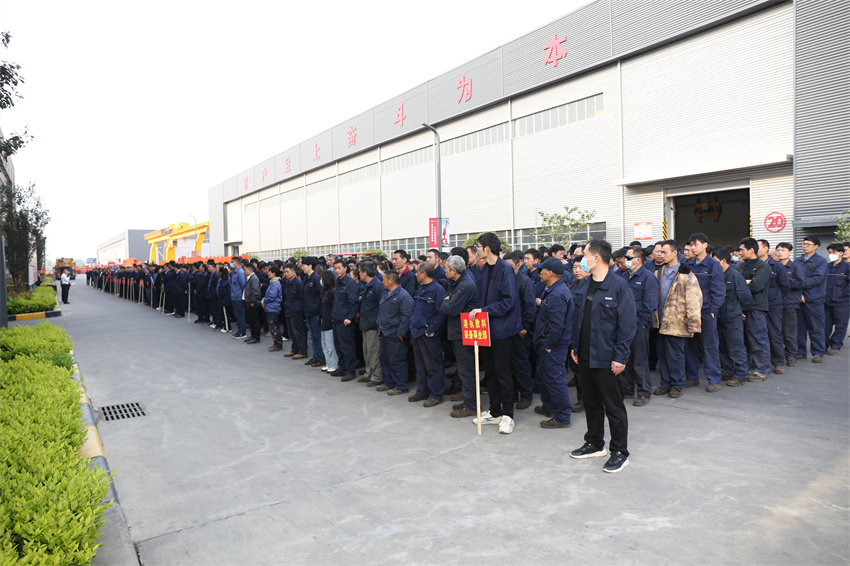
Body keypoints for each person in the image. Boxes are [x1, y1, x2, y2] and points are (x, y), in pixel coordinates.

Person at [569, 239, 636, 473]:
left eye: (585, 255)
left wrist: (620, 357)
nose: (581, 260)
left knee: (613, 407)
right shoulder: (584, 284)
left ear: (596, 258)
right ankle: (595, 443)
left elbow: (627, 327)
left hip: (607, 358)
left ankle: (619, 452)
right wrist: (575, 347)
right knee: (591, 402)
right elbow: (578, 319)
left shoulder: (619, 287)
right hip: (585, 355)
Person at [468, 232, 522, 435]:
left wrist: (483, 311)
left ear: (487, 249)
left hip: (502, 330)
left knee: (502, 373)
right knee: (489, 373)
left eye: (478, 247)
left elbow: (508, 302)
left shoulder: (505, 269)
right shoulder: (484, 269)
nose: (477, 250)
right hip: (485, 330)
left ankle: (508, 415)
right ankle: (494, 411)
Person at [653, 240, 702, 398]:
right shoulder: (658, 273)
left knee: (675, 355)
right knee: (662, 354)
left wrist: (694, 323)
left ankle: (677, 385)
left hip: (677, 322)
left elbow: (694, 299)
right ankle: (665, 383)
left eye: (664, 252)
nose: (661, 255)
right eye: (660, 252)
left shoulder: (685, 274)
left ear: (675, 253)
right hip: (660, 321)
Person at [532, 257, 574, 429]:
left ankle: (562, 416)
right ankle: (549, 407)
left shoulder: (557, 294)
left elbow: (557, 325)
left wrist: (549, 345)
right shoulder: (554, 289)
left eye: (541, 270)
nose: (539, 273)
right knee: (547, 377)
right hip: (548, 342)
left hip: (553, 345)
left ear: (550, 273)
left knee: (555, 380)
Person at [685, 233, 725, 391]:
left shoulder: (713, 265)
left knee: (709, 346)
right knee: (690, 346)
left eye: (695, 244)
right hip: (690, 312)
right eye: (691, 245)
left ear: (705, 245)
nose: (693, 247)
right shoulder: (689, 265)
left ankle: (714, 380)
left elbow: (719, 289)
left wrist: (713, 310)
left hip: (706, 311)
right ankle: (692, 377)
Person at [441, 255, 479, 418]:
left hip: (464, 333)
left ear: (454, 271)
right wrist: (448, 300)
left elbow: (450, 309)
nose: (444, 271)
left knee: (466, 370)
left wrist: (445, 301)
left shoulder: (465, 285)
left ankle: (471, 405)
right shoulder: (456, 282)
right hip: (458, 331)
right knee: (463, 369)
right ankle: (468, 400)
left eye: (446, 268)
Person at [621, 248, 658, 405]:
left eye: (628, 257)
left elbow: (650, 304)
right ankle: (627, 389)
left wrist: (642, 324)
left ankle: (643, 393)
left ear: (638, 260)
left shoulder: (648, 277)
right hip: (624, 324)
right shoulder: (623, 276)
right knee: (625, 357)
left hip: (638, 325)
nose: (625, 260)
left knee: (640, 359)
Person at [408, 262, 447, 406]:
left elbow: (441, 313)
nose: (416, 274)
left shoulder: (437, 290)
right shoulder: (420, 289)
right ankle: (422, 390)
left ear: (424, 274)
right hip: (417, 332)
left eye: (417, 272)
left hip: (428, 334)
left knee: (433, 364)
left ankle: (436, 394)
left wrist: (431, 330)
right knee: (420, 365)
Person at [714, 248, 753, 387]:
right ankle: (728, 372)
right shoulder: (716, 275)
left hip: (732, 318)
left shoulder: (735, 276)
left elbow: (746, 297)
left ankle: (741, 375)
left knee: (736, 347)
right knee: (722, 347)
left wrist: (739, 310)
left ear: (723, 261)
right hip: (719, 318)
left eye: (715, 261)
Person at [737, 237, 771, 380]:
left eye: (742, 250)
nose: (739, 252)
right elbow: (735, 285)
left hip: (756, 307)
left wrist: (744, 284)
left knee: (758, 340)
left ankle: (762, 370)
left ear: (751, 250)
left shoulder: (763, 267)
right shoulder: (740, 266)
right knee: (742, 341)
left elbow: (756, 286)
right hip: (741, 308)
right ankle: (745, 367)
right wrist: (746, 282)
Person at [377, 270, 414, 395]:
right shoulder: (386, 293)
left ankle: (401, 385)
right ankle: (389, 382)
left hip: (394, 333)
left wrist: (401, 333)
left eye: (383, 279)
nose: (382, 282)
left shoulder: (403, 296)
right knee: (385, 359)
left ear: (391, 281)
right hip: (384, 332)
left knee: (397, 361)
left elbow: (407, 316)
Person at [757, 239, 790, 374]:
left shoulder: (776, 266)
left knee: (775, 334)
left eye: (758, 247)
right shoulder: (754, 265)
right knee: (758, 335)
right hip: (758, 304)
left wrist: (776, 297)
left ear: (766, 249)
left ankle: (778, 362)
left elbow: (785, 286)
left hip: (773, 305)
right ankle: (760, 361)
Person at [796, 236, 828, 362]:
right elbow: (792, 277)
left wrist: (799, 285)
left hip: (815, 299)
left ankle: (818, 353)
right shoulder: (798, 261)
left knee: (816, 327)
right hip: (799, 299)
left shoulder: (821, 261)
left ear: (816, 246)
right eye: (804, 244)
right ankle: (800, 351)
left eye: (808, 244)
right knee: (799, 327)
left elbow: (817, 279)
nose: (805, 246)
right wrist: (799, 293)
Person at [331, 258, 360, 381]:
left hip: (345, 321)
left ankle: (350, 371)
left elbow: (353, 302)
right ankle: (342, 368)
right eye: (335, 268)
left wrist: (349, 317)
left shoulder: (350, 283)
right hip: (337, 320)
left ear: (345, 268)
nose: (337, 271)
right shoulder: (337, 282)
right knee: (338, 346)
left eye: (339, 268)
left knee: (347, 347)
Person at [357, 261, 384, 387]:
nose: (359, 274)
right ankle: (369, 373)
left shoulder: (377, 286)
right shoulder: (367, 285)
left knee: (374, 351)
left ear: (365, 273)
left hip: (373, 324)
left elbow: (382, 306)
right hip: (365, 323)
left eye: (360, 271)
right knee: (366, 351)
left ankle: (377, 376)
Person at [775, 242, 802, 366]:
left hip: (789, 304)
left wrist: (784, 279)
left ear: (790, 252)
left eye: (783, 250)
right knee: (775, 333)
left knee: (789, 333)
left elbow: (800, 283)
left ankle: (791, 356)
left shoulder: (795, 267)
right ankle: (777, 357)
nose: (780, 252)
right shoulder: (773, 266)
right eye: (778, 250)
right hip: (775, 304)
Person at [825, 243, 850, 354]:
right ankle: (823, 346)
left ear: (841, 253)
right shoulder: (826, 266)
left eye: (834, 252)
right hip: (826, 301)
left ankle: (836, 345)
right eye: (830, 252)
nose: (831, 254)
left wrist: (843, 294)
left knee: (840, 325)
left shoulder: (847, 267)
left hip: (842, 302)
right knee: (825, 325)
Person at [300, 257, 324, 367]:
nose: (302, 267)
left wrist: (318, 308)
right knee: (313, 336)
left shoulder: (316, 278)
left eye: (304, 265)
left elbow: (321, 294)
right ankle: (315, 356)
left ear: (310, 266)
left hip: (315, 311)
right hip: (308, 311)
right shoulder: (306, 278)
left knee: (317, 335)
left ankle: (321, 357)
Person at [282, 264, 308, 359]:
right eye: (285, 272)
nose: (286, 274)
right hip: (288, 310)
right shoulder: (286, 282)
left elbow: (302, 299)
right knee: (291, 333)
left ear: (293, 272)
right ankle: (294, 349)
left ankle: (302, 351)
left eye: (288, 272)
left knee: (298, 332)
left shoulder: (298, 283)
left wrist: (301, 311)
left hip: (296, 312)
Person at [319, 269, 339, 373]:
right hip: (324, 320)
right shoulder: (324, 291)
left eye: (322, 278)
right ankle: (328, 363)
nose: (320, 280)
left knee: (330, 344)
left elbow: (334, 307)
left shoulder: (332, 293)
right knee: (324, 344)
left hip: (329, 322)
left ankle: (334, 364)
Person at [263, 266, 284, 351]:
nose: (268, 273)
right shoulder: (272, 282)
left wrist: (264, 301)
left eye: (270, 272)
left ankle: (278, 344)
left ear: (274, 273)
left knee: (274, 327)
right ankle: (276, 343)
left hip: (273, 308)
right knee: (272, 327)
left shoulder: (275, 283)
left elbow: (272, 296)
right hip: (270, 307)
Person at [243, 264, 262, 344]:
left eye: (245, 269)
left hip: (253, 303)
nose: (244, 271)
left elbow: (255, 291)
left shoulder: (254, 278)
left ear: (249, 270)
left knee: (254, 320)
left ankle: (256, 337)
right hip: (248, 302)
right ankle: (252, 335)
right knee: (251, 320)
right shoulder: (250, 278)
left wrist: (252, 301)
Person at [230, 257, 247, 339]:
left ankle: (242, 332)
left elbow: (243, 286)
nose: (231, 264)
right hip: (234, 297)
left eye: (232, 262)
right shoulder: (234, 272)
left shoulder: (240, 273)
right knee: (237, 315)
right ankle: (240, 331)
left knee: (240, 315)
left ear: (235, 263)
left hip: (239, 298)